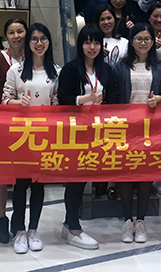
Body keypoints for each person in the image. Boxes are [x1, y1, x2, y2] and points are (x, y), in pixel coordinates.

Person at [108, 22, 161, 243]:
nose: (143, 43)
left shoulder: (160, 67)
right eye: (138, 39)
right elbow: (114, 97)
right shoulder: (120, 67)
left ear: (153, 41)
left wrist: (159, 99)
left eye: (147, 39)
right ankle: (128, 221)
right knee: (126, 174)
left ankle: (141, 221)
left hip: (150, 128)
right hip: (126, 128)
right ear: (132, 41)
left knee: (145, 175)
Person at [2, 23, 60, 254]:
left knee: (38, 185)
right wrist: (19, 103)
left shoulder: (57, 71)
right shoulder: (15, 70)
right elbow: (4, 100)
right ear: (28, 43)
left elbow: (58, 102)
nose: (39, 43)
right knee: (20, 185)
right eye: (34, 39)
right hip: (21, 136)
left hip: (45, 136)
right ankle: (19, 230)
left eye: (43, 38)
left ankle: (33, 229)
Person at [57, 26, 113, 251]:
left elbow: (114, 98)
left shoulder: (106, 69)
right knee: (75, 178)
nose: (92, 47)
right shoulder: (71, 69)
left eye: (96, 42)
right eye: (88, 42)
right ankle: (73, 227)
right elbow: (63, 99)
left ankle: (68, 224)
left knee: (86, 176)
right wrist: (84, 99)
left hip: (99, 131)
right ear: (80, 45)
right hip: (76, 131)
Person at [0, 17, 27, 244]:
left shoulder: (34, 57)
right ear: (5, 37)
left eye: (20, 31)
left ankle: (18, 218)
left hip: (28, 127)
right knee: (1, 174)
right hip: (2, 124)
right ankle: (2, 218)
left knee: (23, 175)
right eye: (11, 32)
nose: (16, 36)